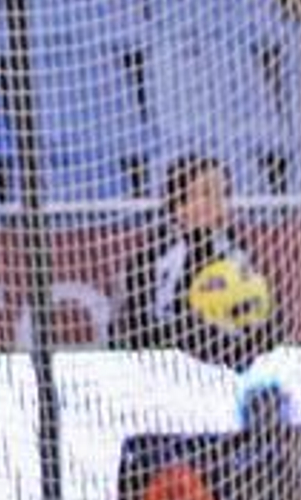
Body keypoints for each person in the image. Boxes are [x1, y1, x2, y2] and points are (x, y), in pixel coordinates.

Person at [116, 154, 277, 371]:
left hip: (231, 371)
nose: (219, 203)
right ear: (178, 205)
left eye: (224, 193)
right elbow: (138, 328)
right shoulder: (153, 257)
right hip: (167, 372)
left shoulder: (237, 253)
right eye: (207, 193)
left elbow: (265, 321)